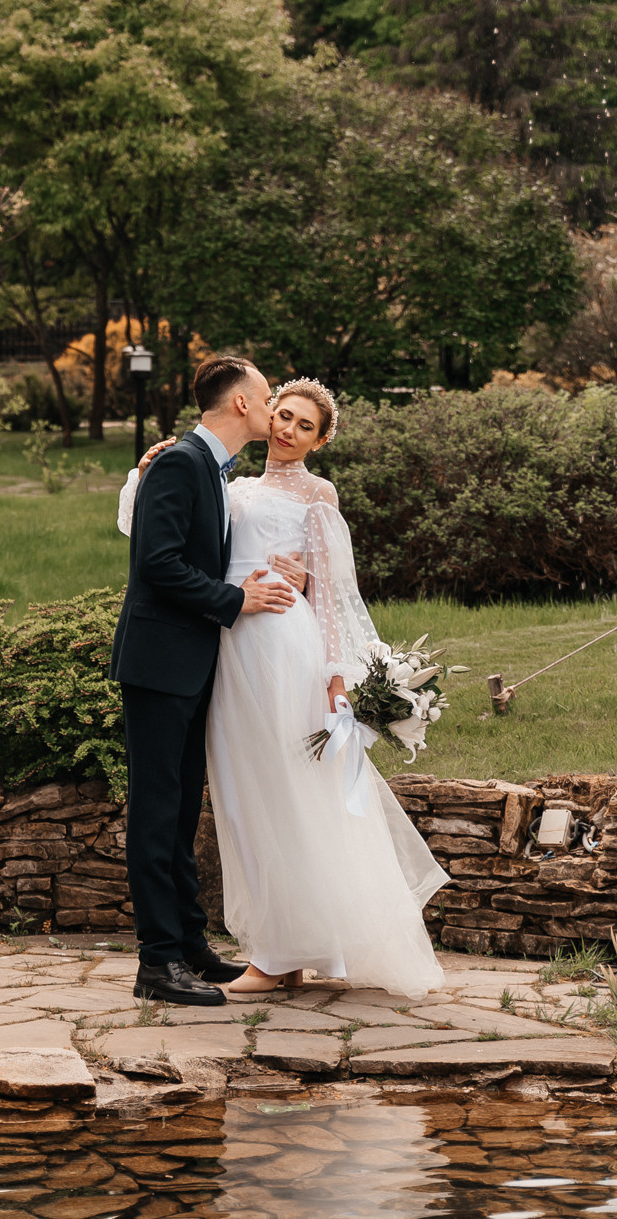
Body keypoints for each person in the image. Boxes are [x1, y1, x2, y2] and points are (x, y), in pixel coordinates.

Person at [119, 376, 447, 997]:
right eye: (281, 413)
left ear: (320, 441)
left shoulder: (318, 494)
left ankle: (277, 950)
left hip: (278, 645)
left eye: (302, 424)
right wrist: (143, 470)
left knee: (287, 791)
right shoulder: (227, 482)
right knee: (244, 798)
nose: (285, 426)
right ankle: (267, 947)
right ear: (256, 412)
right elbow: (170, 542)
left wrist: (335, 674)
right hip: (226, 646)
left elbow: (333, 595)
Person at [107, 354, 304, 1006]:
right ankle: (156, 964)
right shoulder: (181, 463)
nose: (273, 402)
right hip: (160, 665)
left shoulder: (214, 469)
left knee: (183, 809)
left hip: (189, 664)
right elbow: (157, 564)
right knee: (158, 814)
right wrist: (232, 600)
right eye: (266, 392)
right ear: (241, 404)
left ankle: (189, 944)